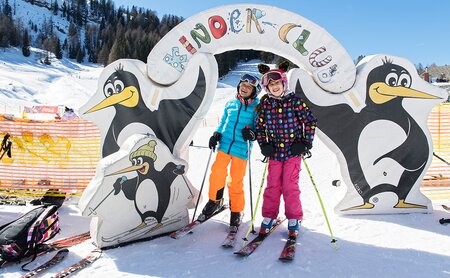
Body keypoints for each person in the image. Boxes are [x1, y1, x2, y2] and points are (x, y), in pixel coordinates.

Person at [255, 61, 318, 237]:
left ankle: (294, 217)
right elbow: (260, 128)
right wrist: (264, 145)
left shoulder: (295, 101)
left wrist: (305, 143)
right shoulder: (265, 104)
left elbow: (310, 122)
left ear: (284, 83)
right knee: (272, 186)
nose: (274, 87)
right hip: (274, 153)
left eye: (277, 83)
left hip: (293, 152)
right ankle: (269, 216)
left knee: (290, 186)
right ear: (267, 87)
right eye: (271, 85)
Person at [199, 73, 262, 232]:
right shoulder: (231, 104)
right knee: (217, 173)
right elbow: (223, 123)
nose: (244, 88)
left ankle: (236, 210)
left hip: (241, 149)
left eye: (249, 87)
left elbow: (258, 128)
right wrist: (216, 134)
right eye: (243, 85)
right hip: (224, 145)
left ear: (254, 91)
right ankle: (215, 200)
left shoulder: (257, 107)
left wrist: (253, 134)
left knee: (235, 181)